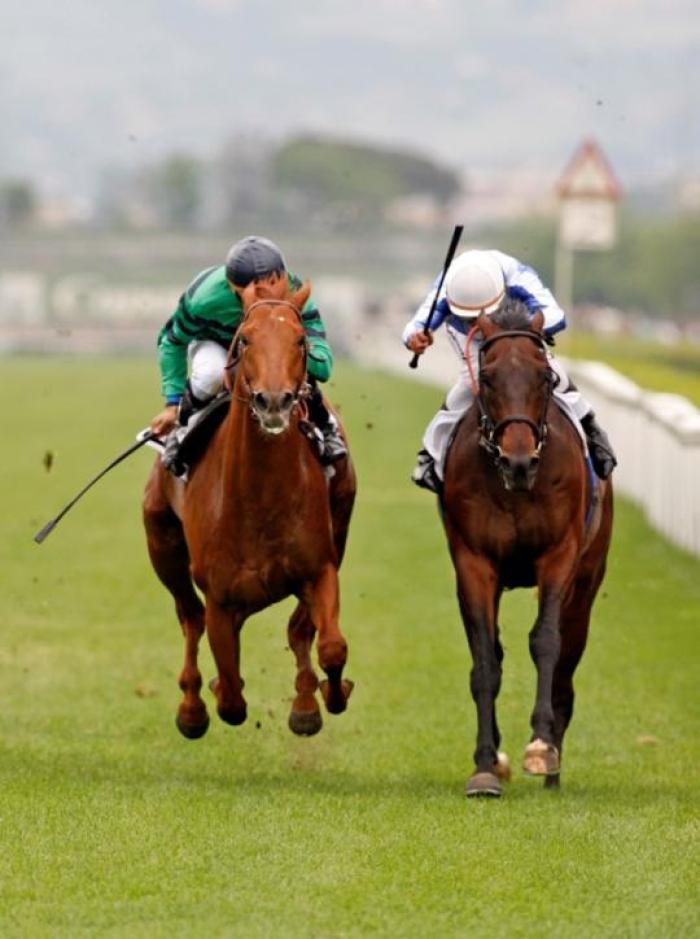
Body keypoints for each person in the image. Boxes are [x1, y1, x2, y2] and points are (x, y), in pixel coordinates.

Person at [403, 248, 617, 492]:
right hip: (467, 339)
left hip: (515, 327)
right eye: (468, 318)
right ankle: (430, 455)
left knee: (549, 369)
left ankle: (592, 430)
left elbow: (556, 316)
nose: (476, 324)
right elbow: (415, 326)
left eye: (479, 316)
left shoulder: (516, 274)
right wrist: (415, 339)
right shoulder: (446, 286)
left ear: (500, 294)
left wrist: (526, 332)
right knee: (473, 381)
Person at [150, 235, 347, 474]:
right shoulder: (203, 300)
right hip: (216, 342)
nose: (270, 296)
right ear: (234, 288)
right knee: (211, 374)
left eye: (274, 285)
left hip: (269, 344)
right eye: (259, 292)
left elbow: (322, 362)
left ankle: (327, 427)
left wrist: (301, 357)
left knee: (289, 364)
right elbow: (173, 341)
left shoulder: (294, 292)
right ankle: (182, 427)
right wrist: (171, 403)